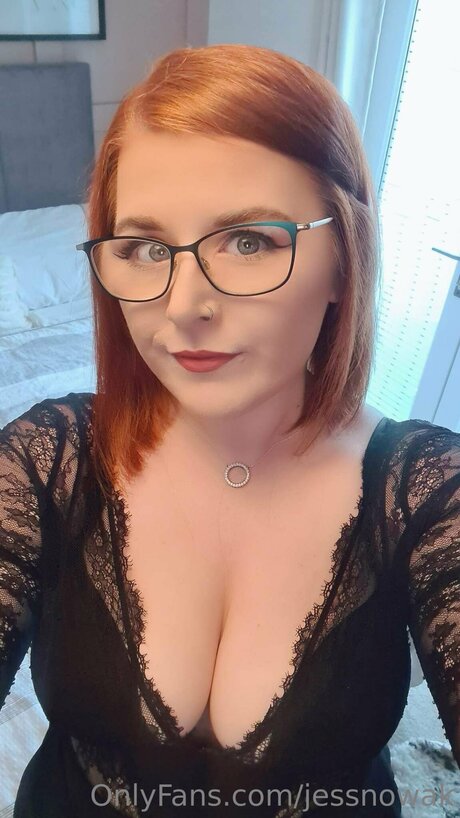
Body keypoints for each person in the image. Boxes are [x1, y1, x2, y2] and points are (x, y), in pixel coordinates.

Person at [0, 43, 459, 818]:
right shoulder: (49, 459)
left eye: (249, 241)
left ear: (343, 258)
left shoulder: (426, 493)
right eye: (145, 249)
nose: (182, 307)